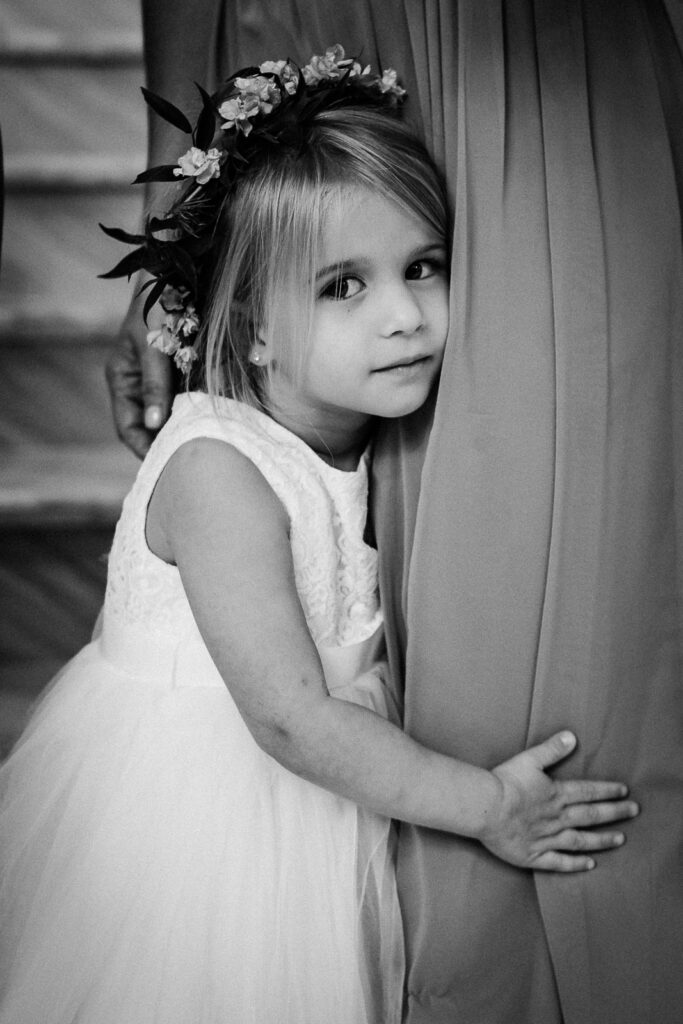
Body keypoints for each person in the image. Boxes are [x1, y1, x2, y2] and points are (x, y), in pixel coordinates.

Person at [0, 51, 639, 1024]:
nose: (403, 318)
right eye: (343, 285)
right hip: (199, 835)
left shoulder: (362, 437)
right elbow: (289, 720)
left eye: (421, 267)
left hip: (314, 805)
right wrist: (488, 808)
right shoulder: (222, 471)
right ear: (250, 326)